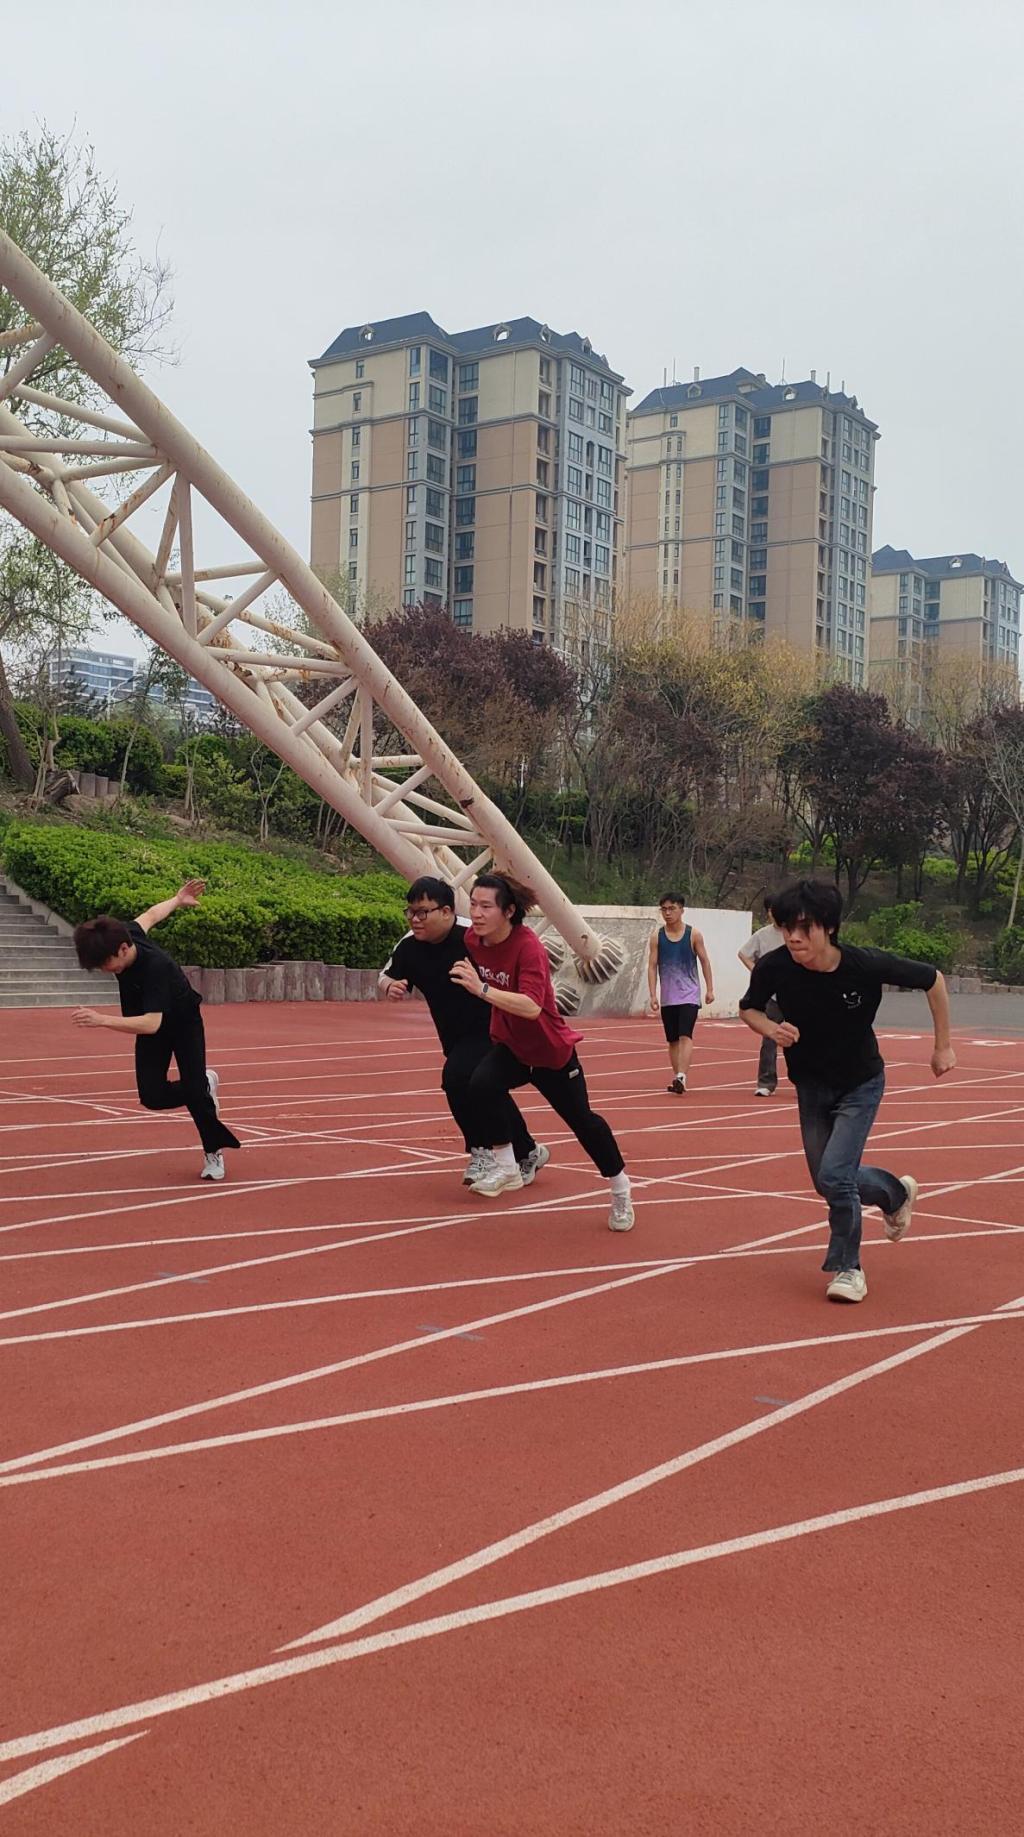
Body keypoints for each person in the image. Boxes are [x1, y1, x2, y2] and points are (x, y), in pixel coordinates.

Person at [738, 878, 956, 1304]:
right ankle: (895, 1194)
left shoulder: (864, 964)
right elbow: (749, 1008)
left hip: (860, 1082)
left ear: (830, 927)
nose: (794, 938)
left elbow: (934, 980)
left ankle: (848, 1268)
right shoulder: (775, 967)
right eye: (787, 928)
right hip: (810, 1086)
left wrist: (943, 1046)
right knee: (828, 1181)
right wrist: (770, 1029)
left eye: (805, 928)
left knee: (836, 1176)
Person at [450, 872, 635, 1231]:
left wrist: (482, 990)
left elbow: (532, 1007)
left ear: (509, 911)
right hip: (513, 1046)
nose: (477, 913)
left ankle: (620, 1189)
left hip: (550, 1052)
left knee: (584, 1123)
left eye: (486, 906)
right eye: (473, 904)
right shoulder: (473, 939)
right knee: (480, 1084)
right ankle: (507, 1166)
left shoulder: (528, 947)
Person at [379, 875, 547, 1189]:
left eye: (423, 912)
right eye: (410, 911)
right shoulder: (409, 945)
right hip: (453, 1035)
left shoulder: (472, 937)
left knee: (456, 1078)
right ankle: (528, 1151)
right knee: (484, 1087)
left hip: (495, 1028)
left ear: (446, 912)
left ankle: (482, 1151)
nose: (415, 919)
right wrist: (391, 986)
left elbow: (513, 952)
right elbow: (385, 975)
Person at [72, 879, 239, 1181]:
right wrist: (177, 899)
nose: (104, 969)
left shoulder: (155, 968)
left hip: (182, 1023)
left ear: (123, 949)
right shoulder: (126, 934)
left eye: (105, 963)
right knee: (152, 1096)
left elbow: (151, 1023)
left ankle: (213, 1152)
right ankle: (203, 1083)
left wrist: (102, 1020)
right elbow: (150, 915)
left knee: (196, 1095)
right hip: (152, 1023)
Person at [647, 892, 715, 1094]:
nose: (667, 913)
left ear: (682, 910)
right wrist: (653, 994)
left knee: (685, 1034)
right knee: (673, 1040)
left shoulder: (693, 935)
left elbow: (704, 961)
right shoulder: (657, 937)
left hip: (689, 995)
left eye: (672, 909)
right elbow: (652, 966)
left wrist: (710, 989)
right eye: (664, 909)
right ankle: (679, 1078)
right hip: (668, 997)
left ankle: (681, 1076)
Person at [738, 896, 785, 1096]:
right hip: (772, 996)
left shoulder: (796, 932)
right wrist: (757, 972)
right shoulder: (762, 935)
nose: (775, 914)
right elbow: (743, 953)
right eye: (771, 910)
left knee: (802, 1038)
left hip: (797, 994)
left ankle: (806, 1080)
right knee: (769, 1038)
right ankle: (766, 1082)